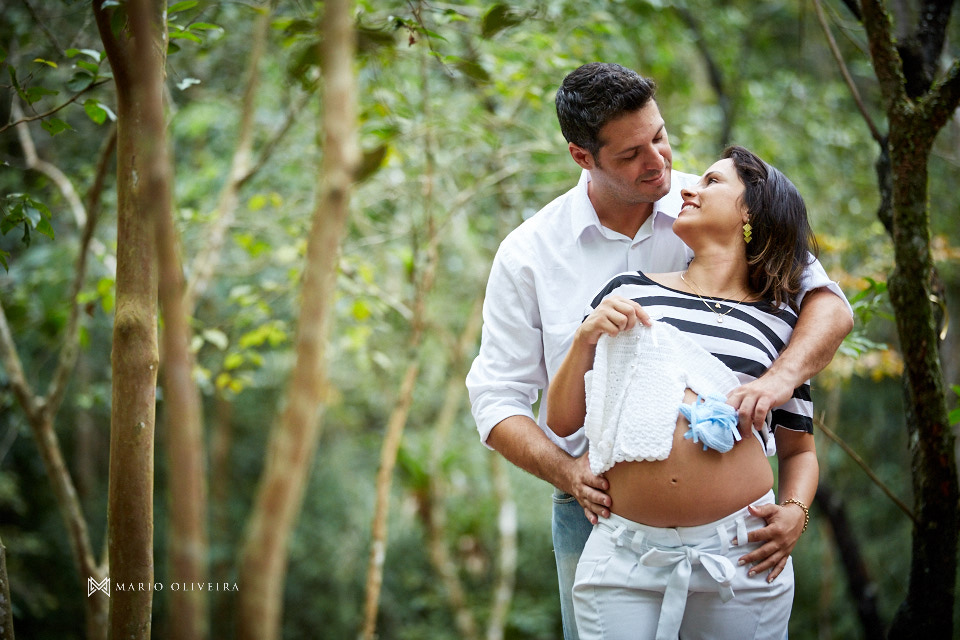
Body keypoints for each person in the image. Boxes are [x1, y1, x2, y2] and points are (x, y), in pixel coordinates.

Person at [465, 62, 852, 640]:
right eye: (630, 155)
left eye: (661, 136)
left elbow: (827, 304)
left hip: (734, 536)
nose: (660, 163)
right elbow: (497, 398)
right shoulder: (529, 254)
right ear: (582, 157)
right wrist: (569, 472)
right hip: (597, 514)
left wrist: (778, 381)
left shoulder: (714, 200)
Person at [547, 145, 821, 639]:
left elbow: (800, 448)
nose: (688, 188)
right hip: (624, 556)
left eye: (712, 182)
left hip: (742, 559)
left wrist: (794, 514)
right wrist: (585, 338)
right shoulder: (629, 290)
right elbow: (563, 421)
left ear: (751, 212)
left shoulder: (782, 324)